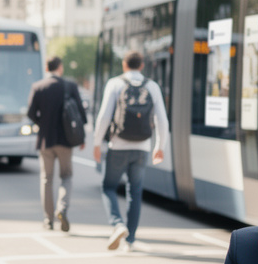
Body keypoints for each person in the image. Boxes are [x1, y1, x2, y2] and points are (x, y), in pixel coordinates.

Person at [92, 51, 169, 252]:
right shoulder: (152, 86)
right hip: (142, 148)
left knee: (108, 187)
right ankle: (131, 240)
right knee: (135, 192)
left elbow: (104, 116)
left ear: (125, 65)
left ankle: (117, 224)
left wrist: (97, 143)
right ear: (142, 66)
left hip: (118, 146)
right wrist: (159, 147)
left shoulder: (115, 84)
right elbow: (162, 119)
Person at [27, 56, 88, 231]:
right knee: (66, 176)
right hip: (66, 141)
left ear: (47, 68)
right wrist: (81, 139)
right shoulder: (70, 85)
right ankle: (62, 208)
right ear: (60, 68)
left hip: (46, 141)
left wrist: (42, 123)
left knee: (46, 179)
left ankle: (48, 219)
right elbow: (80, 114)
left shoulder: (38, 87)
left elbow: (31, 113)